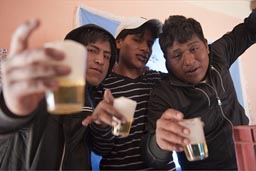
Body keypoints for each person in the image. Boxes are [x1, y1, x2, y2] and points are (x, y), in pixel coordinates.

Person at [142, 10, 256, 170]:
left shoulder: (219, 54)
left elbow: (249, 30)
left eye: (194, 49)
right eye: (177, 55)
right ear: (167, 62)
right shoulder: (164, 93)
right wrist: (159, 143)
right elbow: (153, 158)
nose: (189, 61)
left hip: (249, 158)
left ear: (206, 45)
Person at [0, 19, 117, 170]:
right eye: (92, 50)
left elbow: (102, 149)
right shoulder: (41, 84)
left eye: (107, 56)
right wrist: (9, 109)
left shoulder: (96, 100)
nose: (100, 60)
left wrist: (102, 126)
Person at [82, 17, 176, 170]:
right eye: (138, 40)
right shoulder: (103, 86)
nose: (145, 48)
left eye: (149, 43)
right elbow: (102, 149)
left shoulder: (157, 79)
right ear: (118, 42)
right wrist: (102, 126)